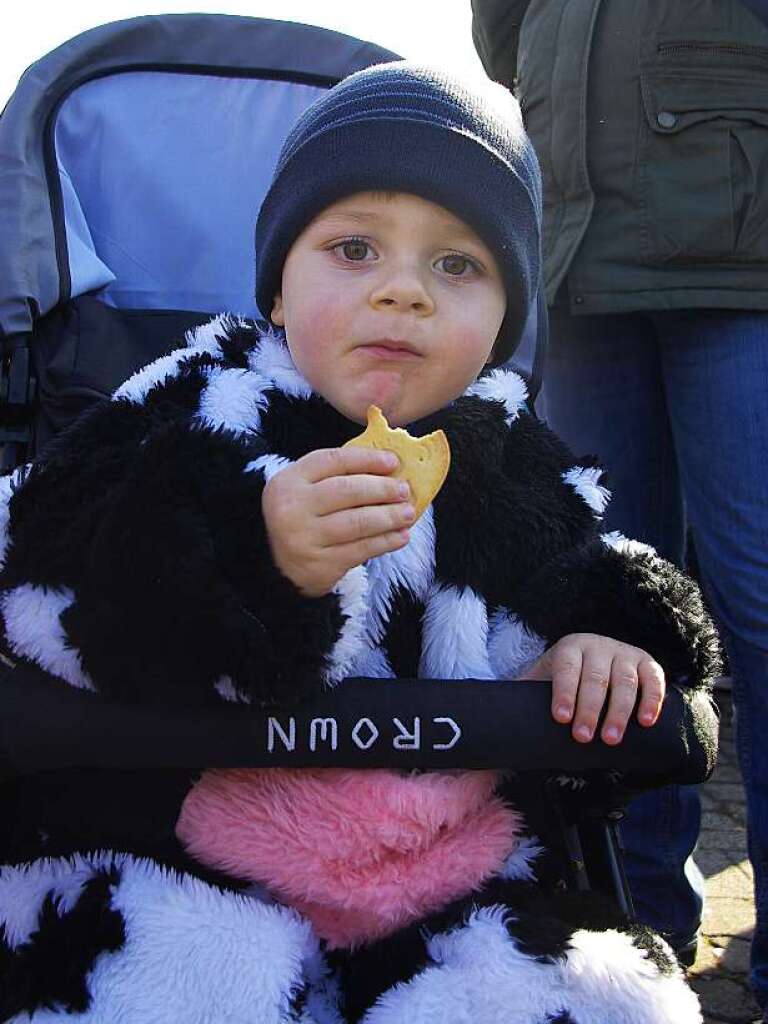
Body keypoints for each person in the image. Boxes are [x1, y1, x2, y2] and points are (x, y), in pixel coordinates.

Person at [0, 62, 720, 1023]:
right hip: (174, 868)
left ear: (506, 319)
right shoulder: (200, 404)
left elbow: (598, 572)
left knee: (600, 994)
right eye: (353, 249)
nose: (403, 293)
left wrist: (604, 643)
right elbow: (38, 552)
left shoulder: (505, 458)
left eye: (457, 265)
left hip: (443, 896)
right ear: (280, 292)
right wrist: (246, 553)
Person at [471, 0, 768, 1005]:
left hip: (746, 246)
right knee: (613, 603)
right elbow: (501, 28)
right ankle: (635, 925)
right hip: (583, 247)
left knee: (762, 602)